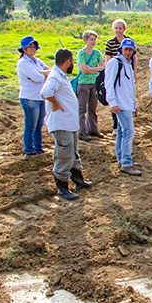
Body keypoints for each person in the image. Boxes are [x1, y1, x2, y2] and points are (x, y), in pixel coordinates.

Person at [41, 48, 93, 200]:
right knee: (64, 155)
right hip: (61, 123)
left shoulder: (58, 74)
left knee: (73, 153)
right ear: (67, 62)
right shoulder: (55, 76)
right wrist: (55, 103)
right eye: (72, 62)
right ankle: (62, 188)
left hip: (69, 123)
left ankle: (78, 180)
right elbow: (46, 92)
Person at [105, 38, 141, 176]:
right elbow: (109, 83)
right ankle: (126, 162)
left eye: (130, 50)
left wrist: (134, 105)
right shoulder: (115, 63)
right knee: (128, 132)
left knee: (122, 132)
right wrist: (113, 103)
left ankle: (122, 159)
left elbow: (130, 88)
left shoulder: (128, 64)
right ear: (121, 49)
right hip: (120, 105)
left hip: (127, 105)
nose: (127, 52)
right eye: (125, 49)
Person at [16, 35, 51, 156]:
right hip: (29, 97)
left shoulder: (37, 61)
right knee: (30, 126)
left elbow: (49, 71)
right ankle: (29, 150)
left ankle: (38, 147)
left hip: (40, 97)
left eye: (34, 46)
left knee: (38, 125)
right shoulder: (23, 63)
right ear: (24, 49)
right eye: (29, 47)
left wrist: (43, 73)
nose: (32, 49)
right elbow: (38, 78)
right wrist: (43, 74)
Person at [75, 30, 106, 141]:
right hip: (83, 84)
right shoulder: (81, 53)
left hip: (93, 84)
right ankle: (81, 131)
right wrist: (96, 69)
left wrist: (91, 69)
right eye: (91, 39)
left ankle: (93, 129)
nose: (94, 42)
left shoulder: (97, 53)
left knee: (93, 108)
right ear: (86, 40)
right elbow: (83, 70)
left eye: (94, 39)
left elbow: (103, 66)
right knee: (82, 109)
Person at [104, 19, 133, 135]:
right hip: (116, 70)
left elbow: (133, 58)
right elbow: (108, 58)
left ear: (124, 29)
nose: (118, 30)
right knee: (128, 131)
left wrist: (133, 71)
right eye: (116, 28)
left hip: (126, 70)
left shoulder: (129, 41)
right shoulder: (110, 43)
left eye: (120, 28)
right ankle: (115, 125)